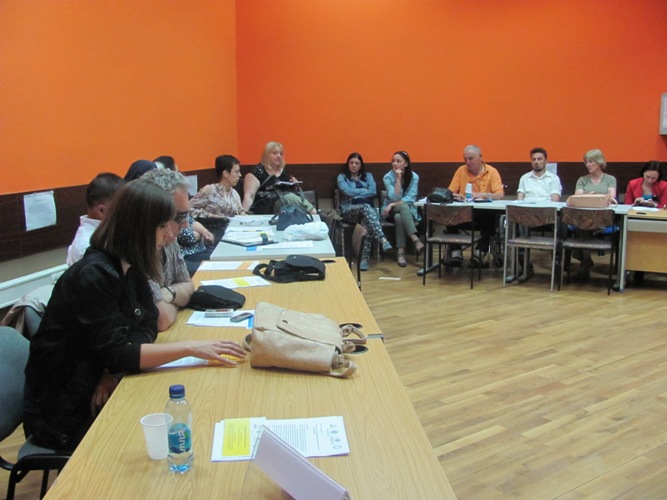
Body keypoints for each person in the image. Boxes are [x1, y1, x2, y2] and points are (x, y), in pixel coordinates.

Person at [23, 179, 246, 451]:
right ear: (138, 228)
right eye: (162, 226)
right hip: (63, 409)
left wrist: (113, 368)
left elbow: (148, 323)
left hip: (100, 383)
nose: (170, 234)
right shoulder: (95, 275)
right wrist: (190, 348)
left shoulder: (130, 266)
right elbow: (117, 351)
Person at [141, 169, 196, 328]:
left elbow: (189, 285)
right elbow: (161, 319)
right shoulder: (140, 247)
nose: (185, 225)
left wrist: (168, 294)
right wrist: (178, 297)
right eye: (179, 217)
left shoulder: (170, 239)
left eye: (186, 216)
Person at [506, 148, 562, 283]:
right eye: (534, 159)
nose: (536, 162)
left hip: (546, 216)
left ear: (546, 161)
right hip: (527, 215)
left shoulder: (553, 178)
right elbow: (520, 199)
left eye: (539, 159)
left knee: (561, 222)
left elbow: (555, 200)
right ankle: (522, 265)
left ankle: (557, 262)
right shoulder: (524, 178)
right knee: (516, 222)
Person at [446, 145, 504, 266]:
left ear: (481, 158)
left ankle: (480, 252)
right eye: (465, 159)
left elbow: (499, 194)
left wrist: (484, 195)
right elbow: (450, 192)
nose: (467, 162)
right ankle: (456, 253)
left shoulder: (492, 172)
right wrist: (457, 196)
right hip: (463, 213)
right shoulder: (461, 171)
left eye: (471, 158)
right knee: (449, 215)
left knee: (490, 217)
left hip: (483, 215)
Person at [337, 152, 392, 271]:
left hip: (367, 211)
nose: (354, 165)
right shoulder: (342, 177)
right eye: (351, 163)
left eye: (357, 163)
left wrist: (356, 194)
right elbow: (347, 191)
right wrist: (364, 190)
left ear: (361, 165)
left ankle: (364, 259)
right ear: (348, 164)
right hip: (349, 211)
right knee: (366, 208)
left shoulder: (368, 176)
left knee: (367, 220)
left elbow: (373, 191)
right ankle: (382, 239)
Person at [571, 149, 618, 280]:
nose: (588, 165)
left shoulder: (610, 179)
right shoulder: (582, 180)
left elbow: (611, 197)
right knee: (583, 224)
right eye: (586, 162)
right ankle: (586, 260)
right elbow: (577, 197)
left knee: (583, 228)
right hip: (584, 217)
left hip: (602, 218)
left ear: (599, 162)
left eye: (591, 161)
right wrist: (600, 196)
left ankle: (584, 262)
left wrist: (590, 195)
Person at [241, 141, 316, 215]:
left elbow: (291, 191)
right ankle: (313, 213)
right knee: (289, 197)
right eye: (275, 153)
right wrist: (243, 213)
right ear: (267, 155)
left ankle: (312, 214)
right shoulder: (257, 172)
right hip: (265, 207)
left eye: (281, 154)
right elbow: (249, 195)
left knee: (291, 197)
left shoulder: (283, 171)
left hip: (285, 209)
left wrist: (295, 185)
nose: (279, 156)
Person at [66, 173, 125, 266]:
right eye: (121, 207)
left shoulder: (108, 231)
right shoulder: (87, 246)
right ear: (102, 210)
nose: (125, 211)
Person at [381, 151, 422, 267]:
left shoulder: (414, 177)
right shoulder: (387, 177)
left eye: (398, 161)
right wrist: (398, 179)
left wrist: (393, 204)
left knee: (399, 217)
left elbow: (410, 198)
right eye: (393, 161)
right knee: (402, 207)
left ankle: (400, 252)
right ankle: (415, 238)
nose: (395, 164)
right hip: (388, 211)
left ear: (406, 163)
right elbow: (394, 197)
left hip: (406, 209)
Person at [190, 154, 245, 219]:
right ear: (225, 173)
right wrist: (210, 216)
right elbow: (189, 208)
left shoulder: (234, 193)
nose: (240, 175)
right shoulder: (210, 190)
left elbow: (241, 213)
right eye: (236, 172)